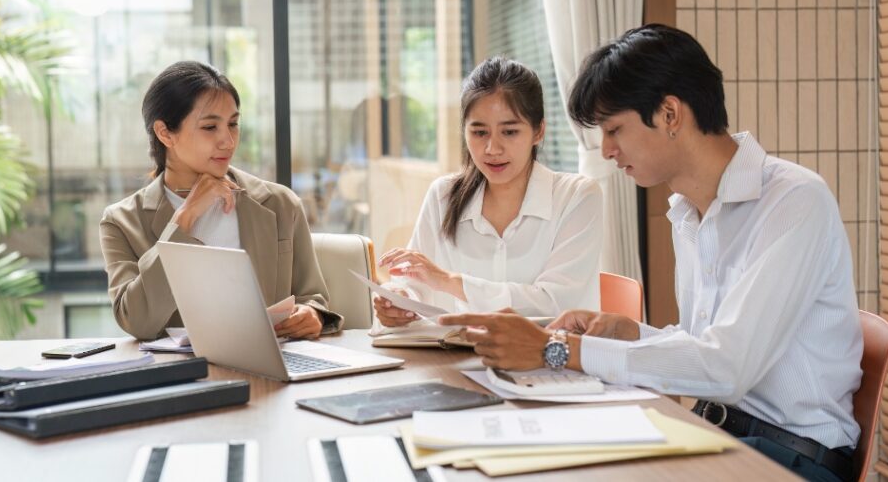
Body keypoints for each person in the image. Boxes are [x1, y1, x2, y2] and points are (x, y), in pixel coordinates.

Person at [440, 26, 862, 482]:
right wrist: (631, 333)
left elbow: (727, 369)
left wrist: (556, 349)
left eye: (614, 129)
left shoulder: (794, 201)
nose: (605, 150)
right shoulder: (688, 211)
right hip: (711, 434)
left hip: (789, 458)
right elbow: (706, 343)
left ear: (669, 113)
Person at [99, 61, 341, 341]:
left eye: (233, 124)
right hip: (182, 378)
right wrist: (184, 219)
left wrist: (312, 315)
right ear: (165, 133)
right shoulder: (122, 222)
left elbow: (313, 298)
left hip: (273, 373)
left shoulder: (279, 204)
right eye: (210, 126)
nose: (228, 140)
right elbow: (138, 322)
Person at [374, 56, 601, 328]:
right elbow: (414, 285)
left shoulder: (577, 197)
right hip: (453, 362)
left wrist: (450, 282)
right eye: (479, 132)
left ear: (538, 131)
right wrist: (400, 300)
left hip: (550, 364)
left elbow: (555, 304)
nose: (492, 148)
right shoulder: (443, 196)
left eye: (509, 131)